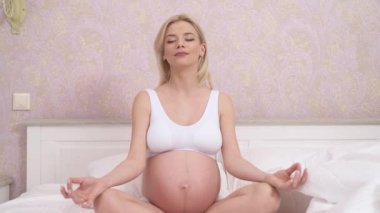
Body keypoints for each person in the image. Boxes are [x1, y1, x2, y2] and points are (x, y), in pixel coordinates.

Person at [61, 14, 308, 213]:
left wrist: (269, 177)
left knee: (267, 195)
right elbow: (135, 161)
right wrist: (101, 183)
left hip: (211, 209)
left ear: (202, 49)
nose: (180, 43)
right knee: (105, 200)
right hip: (156, 209)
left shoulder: (220, 101)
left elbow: (233, 161)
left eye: (188, 38)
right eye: (171, 41)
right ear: (164, 54)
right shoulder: (146, 99)